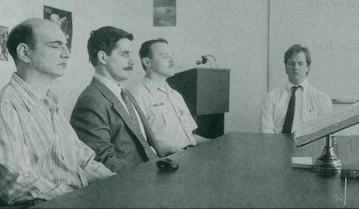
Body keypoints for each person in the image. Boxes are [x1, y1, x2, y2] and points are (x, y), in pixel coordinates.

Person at [0, 19, 114, 206]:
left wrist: (118, 182)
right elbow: (15, 183)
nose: (67, 54)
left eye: (66, 46)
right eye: (55, 46)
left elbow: (83, 161)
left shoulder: (50, 102)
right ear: (24, 53)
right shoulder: (6, 106)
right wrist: (79, 198)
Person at [70, 26, 163, 173]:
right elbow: (101, 160)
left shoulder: (124, 93)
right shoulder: (91, 101)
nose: (132, 61)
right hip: (132, 183)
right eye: (125, 55)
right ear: (102, 57)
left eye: (131, 55)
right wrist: (150, 172)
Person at [131, 38, 210, 156]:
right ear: (147, 62)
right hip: (168, 162)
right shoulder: (138, 95)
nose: (172, 60)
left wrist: (213, 144)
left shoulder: (175, 95)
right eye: (164, 56)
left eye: (172, 55)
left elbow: (189, 137)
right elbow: (137, 143)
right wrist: (172, 151)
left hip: (189, 155)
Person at [260, 44, 333, 135]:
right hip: (277, 148)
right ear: (286, 67)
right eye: (291, 63)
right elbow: (267, 132)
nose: (295, 68)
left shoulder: (322, 99)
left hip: (310, 148)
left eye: (300, 63)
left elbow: (324, 134)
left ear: (308, 67)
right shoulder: (271, 98)